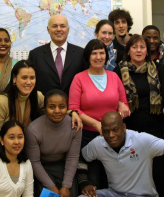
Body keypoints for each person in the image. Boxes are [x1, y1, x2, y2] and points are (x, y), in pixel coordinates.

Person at [69, 39, 129, 188]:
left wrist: (117, 119)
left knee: (113, 182)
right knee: (93, 182)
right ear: (88, 57)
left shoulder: (114, 76)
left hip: (113, 138)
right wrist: (96, 124)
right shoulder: (79, 78)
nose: (98, 57)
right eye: (94, 53)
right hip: (87, 137)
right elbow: (74, 108)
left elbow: (125, 106)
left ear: (106, 55)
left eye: (101, 53)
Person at [0, 60, 82, 152]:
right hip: (6, 153)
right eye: (24, 77)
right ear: (14, 78)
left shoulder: (37, 96)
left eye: (32, 78)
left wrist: (72, 112)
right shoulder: (2, 101)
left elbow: (52, 111)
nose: (29, 82)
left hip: (29, 149)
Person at [114, 34, 164, 196]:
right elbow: (114, 96)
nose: (139, 50)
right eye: (135, 47)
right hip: (131, 129)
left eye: (142, 47)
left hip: (156, 127)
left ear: (147, 50)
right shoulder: (119, 70)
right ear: (128, 50)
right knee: (135, 171)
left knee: (158, 171)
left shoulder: (157, 68)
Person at [79, 112, 164, 197]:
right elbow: (81, 158)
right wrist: (84, 183)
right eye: (106, 131)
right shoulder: (98, 144)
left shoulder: (142, 141)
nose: (111, 135)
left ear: (124, 127)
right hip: (113, 193)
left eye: (115, 129)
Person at [25, 89, 82, 197]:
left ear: (67, 108)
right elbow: (35, 162)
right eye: (52, 106)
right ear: (45, 108)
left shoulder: (75, 126)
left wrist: (66, 186)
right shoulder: (33, 129)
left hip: (64, 166)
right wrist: (53, 188)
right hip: (41, 168)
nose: (57, 111)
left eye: (62, 106)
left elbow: (72, 158)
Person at [28, 14, 85, 96]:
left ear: (68, 30)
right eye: (54, 26)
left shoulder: (81, 53)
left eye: (62, 26)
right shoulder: (35, 55)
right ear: (48, 29)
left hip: (72, 106)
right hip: (43, 106)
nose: (59, 29)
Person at [0, 120, 33, 197]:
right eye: (11, 137)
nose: (16, 142)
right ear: (2, 140)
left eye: (20, 137)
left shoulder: (27, 163)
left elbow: (29, 195)